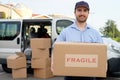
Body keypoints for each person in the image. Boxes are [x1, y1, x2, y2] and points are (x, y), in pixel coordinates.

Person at [52, 1, 103, 80]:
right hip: (70, 76)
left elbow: (102, 53)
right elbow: (55, 49)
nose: (82, 13)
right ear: (74, 12)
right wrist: (53, 64)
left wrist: (104, 66)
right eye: (79, 10)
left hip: (90, 76)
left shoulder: (95, 33)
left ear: (88, 13)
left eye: (85, 10)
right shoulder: (66, 32)